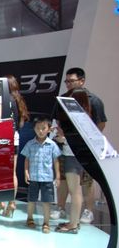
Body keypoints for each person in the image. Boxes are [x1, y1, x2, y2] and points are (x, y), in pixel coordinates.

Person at [55, 67, 107, 224]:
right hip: (66, 147)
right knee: (64, 180)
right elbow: (57, 120)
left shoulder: (94, 100)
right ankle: (61, 208)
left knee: (87, 181)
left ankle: (88, 211)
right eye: (67, 81)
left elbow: (101, 123)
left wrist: (89, 138)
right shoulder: (62, 99)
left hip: (86, 148)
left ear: (82, 81)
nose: (69, 84)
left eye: (72, 81)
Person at [53, 88, 92, 233]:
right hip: (75, 155)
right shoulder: (84, 116)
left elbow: (75, 139)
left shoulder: (77, 117)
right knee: (75, 190)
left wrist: (63, 139)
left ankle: (73, 224)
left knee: (75, 190)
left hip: (72, 155)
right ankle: (73, 221)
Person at [0, 75, 30, 218]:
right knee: (12, 173)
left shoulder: (2, 99)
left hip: (2, 140)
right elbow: (20, 124)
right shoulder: (18, 100)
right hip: (14, 138)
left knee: (0, 174)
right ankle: (11, 203)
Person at [20, 117, 61, 234]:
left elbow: (56, 161)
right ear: (34, 129)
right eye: (38, 128)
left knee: (46, 201)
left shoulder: (52, 145)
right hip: (33, 177)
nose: (41, 131)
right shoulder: (30, 144)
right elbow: (26, 159)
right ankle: (30, 218)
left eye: (43, 128)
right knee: (31, 199)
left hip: (47, 178)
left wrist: (57, 176)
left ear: (48, 129)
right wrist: (26, 172)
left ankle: (46, 223)